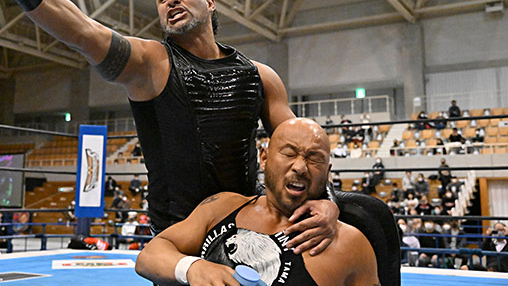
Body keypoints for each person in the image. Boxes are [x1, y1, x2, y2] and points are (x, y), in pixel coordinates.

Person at [0, 0, 339, 252]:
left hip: (248, 233)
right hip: (179, 241)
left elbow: (303, 149)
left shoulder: (260, 76)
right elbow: (81, 31)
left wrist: (329, 203)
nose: (171, 0)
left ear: (210, 2)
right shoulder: (151, 63)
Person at [135, 118, 380, 285]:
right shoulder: (222, 206)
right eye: (289, 153)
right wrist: (194, 268)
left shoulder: (350, 244)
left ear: (327, 172)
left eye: (314, 159)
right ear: (264, 158)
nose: (300, 167)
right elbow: (150, 255)